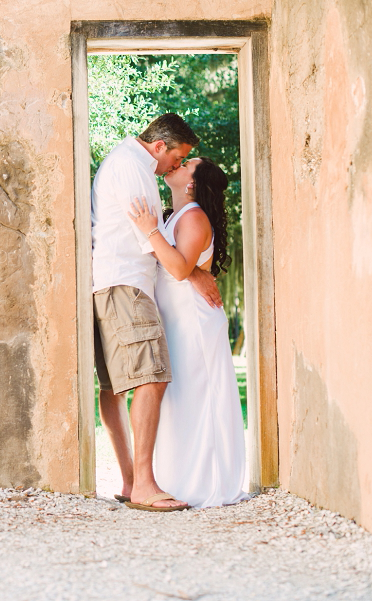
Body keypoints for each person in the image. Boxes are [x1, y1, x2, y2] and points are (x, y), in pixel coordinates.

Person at [91, 114, 222, 512]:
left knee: (115, 387)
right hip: (128, 284)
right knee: (151, 378)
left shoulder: (129, 164)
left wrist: (192, 269)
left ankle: (133, 481)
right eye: (178, 157)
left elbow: (157, 235)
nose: (176, 166)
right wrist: (195, 272)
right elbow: (152, 239)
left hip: (116, 282)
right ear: (161, 145)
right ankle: (143, 484)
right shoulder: (134, 167)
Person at [128, 157, 249, 509]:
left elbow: (179, 268)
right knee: (179, 397)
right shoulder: (175, 215)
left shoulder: (194, 216)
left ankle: (205, 482)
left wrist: (149, 229)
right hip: (177, 318)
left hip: (194, 321)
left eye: (185, 165)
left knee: (198, 396)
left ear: (192, 183)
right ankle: (173, 477)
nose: (176, 165)